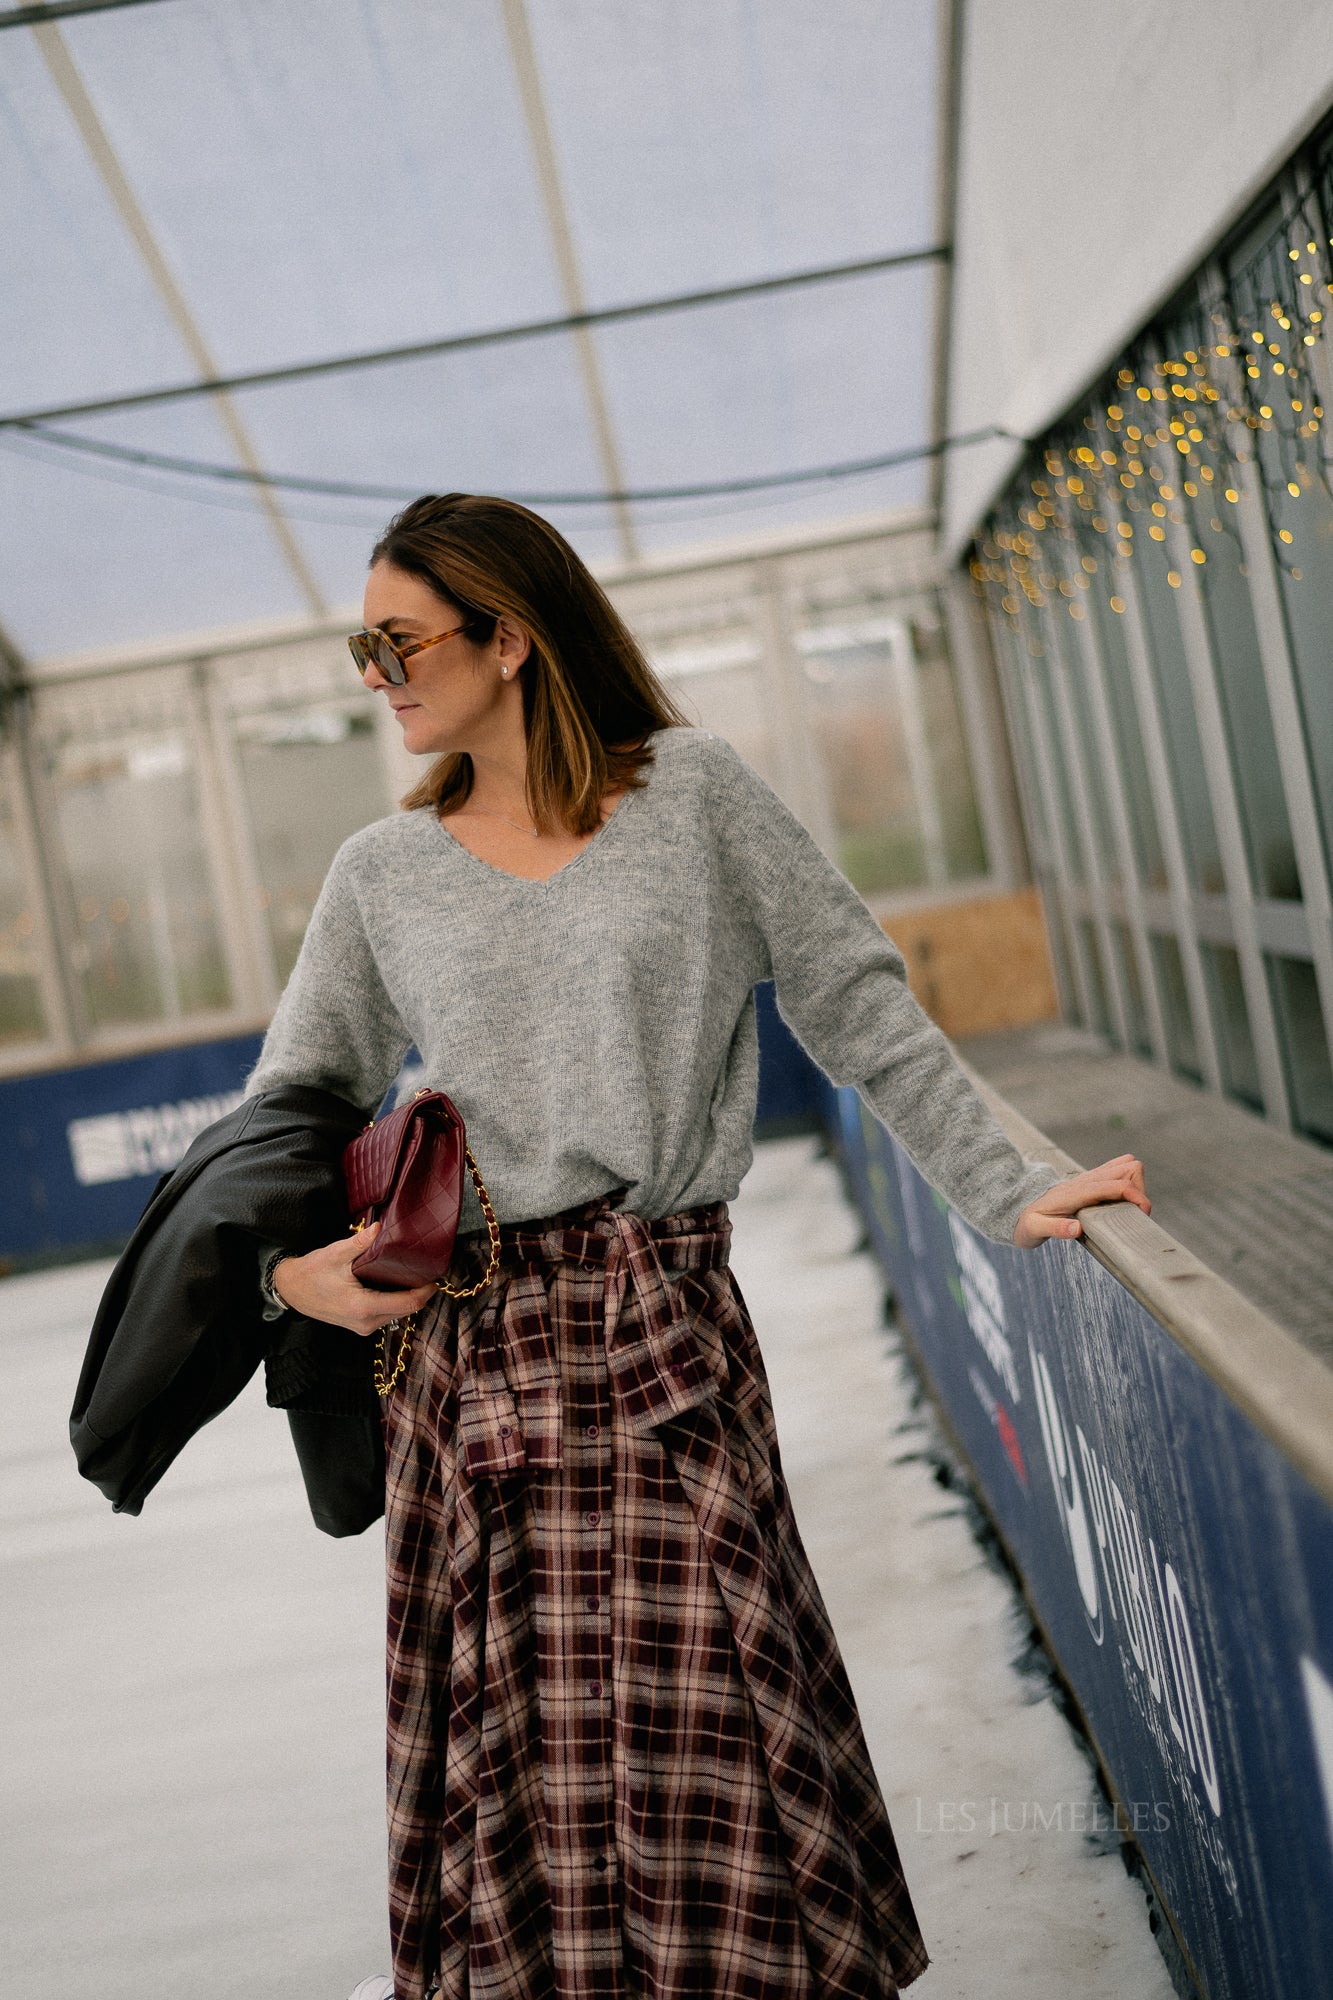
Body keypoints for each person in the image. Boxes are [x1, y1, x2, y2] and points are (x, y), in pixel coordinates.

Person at [248, 492, 1150, 2000]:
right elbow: (281, 1118)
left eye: (396, 641)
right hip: (470, 1388)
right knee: (523, 1793)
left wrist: (1009, 1183)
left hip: (663, 1345)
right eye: (362, 647)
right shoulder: (378, 877)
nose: (375, 675)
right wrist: (289, 1278)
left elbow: (862, 1009)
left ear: (512, 638)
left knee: (719, 1754)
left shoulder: (697, 794)